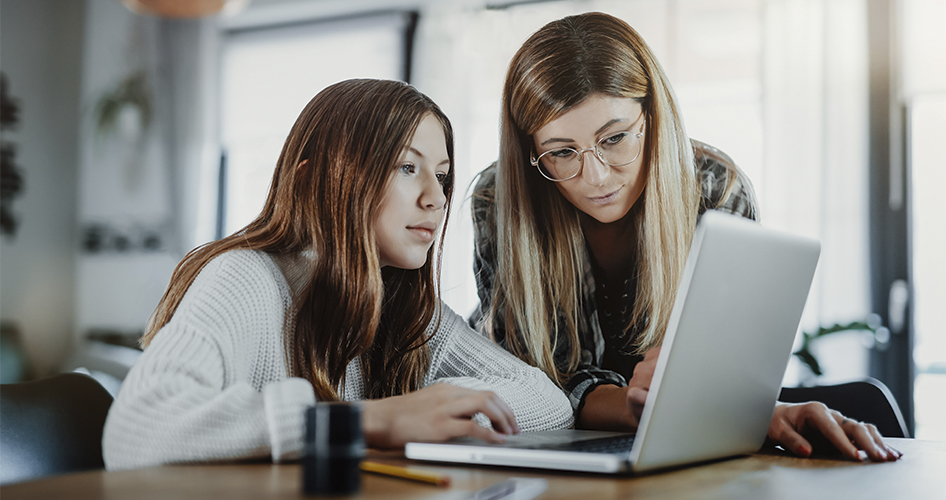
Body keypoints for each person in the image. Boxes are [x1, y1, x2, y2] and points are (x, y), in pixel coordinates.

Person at [470, 12, 899, 461]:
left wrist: (706, 404)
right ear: (531, 152)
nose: (595, 177)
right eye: (561, 152)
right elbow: (535, 385)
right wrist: (663, 407)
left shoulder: (715, 188)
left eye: (615, 138)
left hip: (685, 454)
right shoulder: (500, 201)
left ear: (653, 117)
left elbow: (726, 375)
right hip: (554, 459)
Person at [102, 79, 573, 471]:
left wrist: (443, 406)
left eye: (443, 175)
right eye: (407, 167)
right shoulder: (245, 278)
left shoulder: (403, 308)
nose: (436, 198)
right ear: (315, 179)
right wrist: (365, 421)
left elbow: (550, 403)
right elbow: (136, 430)